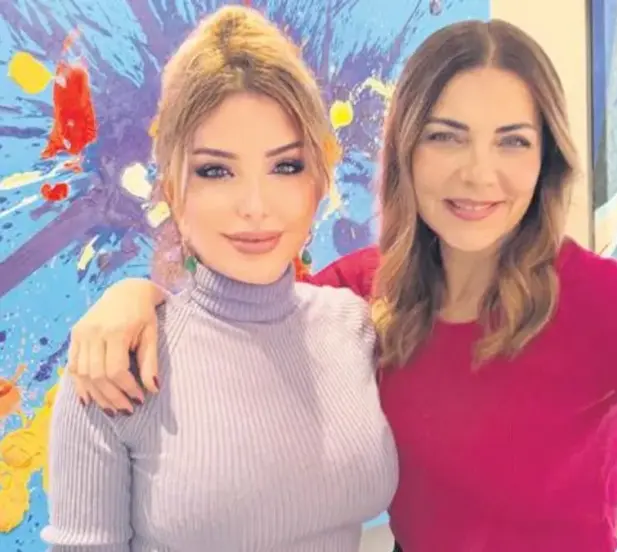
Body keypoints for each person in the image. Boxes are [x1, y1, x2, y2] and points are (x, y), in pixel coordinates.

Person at [65, 18, 617, 552]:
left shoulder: (595, 302)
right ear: (406, 151)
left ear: (545, 161)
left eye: (512, 143)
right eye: (446, 137)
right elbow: (242, 315)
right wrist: (136, 297)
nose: (478, 174)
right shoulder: (361, 297)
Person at [43, 7, 397, 551]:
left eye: (285, 166)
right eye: (216, 170)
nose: (254, 206)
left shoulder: (355, 328)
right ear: (173, 189)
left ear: (319, 180)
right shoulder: (115, 365)